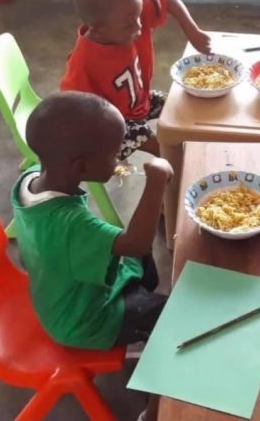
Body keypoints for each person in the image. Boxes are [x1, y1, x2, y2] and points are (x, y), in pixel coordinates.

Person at [11, 91, 173, 350]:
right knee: (170, 312)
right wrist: (156, 182)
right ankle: (142, 308)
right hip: (84, 321)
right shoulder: (69, 223)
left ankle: (140, 293)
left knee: (134, 256)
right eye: (114, 155)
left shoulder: (30, 180)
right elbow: (137, 243)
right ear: (80, 167)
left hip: (61, 290)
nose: (119, 159)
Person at [61, 0, 211, 160]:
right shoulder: (83, 62)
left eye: (138, 17)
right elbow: (74, 110)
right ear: (98, 29)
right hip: (112, 125)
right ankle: (176, 184)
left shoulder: (128, 14)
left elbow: (169, 0)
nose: (139, 26)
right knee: (165, 148)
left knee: (182, 105)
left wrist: (193, 31)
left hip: (140, 102)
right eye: (129, 24)